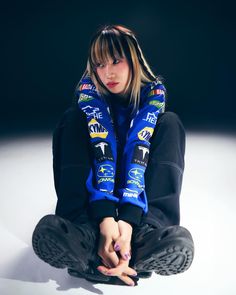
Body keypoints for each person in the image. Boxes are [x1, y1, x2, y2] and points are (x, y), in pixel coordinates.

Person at [32, 24, 194, 287]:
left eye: (116, 61)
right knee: (71, 119)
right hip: (95, 195)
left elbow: (137, 158)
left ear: (134, 60)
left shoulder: (151, 99)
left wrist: (127, 223)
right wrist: (105, 218)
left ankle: (148, 233)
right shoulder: (89, 98)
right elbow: (101, 156)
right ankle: (82, 232)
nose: (108, 72)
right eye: (99, 64)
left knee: (171, 123)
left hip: (137, 195)